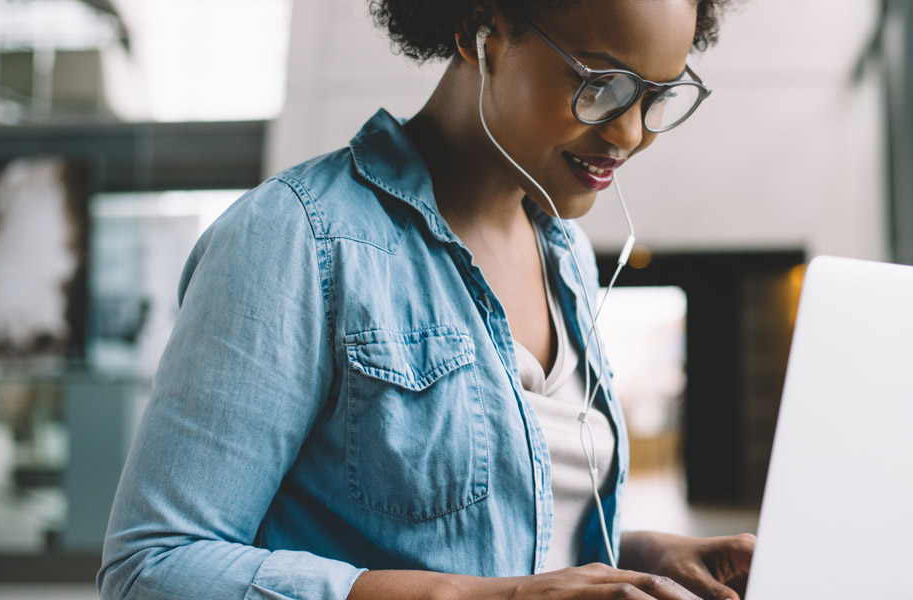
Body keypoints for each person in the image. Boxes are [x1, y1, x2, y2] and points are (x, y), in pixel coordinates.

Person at [98, 0, 753, 598]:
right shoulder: (296, 241)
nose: (631, 134)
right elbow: (151, 569)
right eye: (602, 86)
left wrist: (640, 555)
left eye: (658, 95)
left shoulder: (568, 256)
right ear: (484, 32)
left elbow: (501, 531)